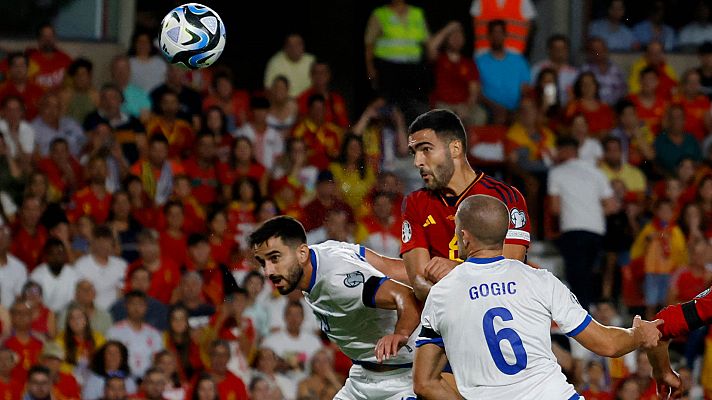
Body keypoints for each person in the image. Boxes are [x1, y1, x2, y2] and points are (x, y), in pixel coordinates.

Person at [412, 194, 664, 399]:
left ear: (464, 237)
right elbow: (607, 344)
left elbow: (424, 384)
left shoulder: (442, 294)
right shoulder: (540, 280)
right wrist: (638, 335)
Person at [249, 216, 418, 399]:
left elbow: (405, 296)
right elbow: (388, 267)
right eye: (263, 262)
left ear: (302, 254)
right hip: (362, 378)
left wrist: (401, 333)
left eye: (275, 258)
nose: (268, 271)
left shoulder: (337, 282)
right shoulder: (323, 252)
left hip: (404, 377)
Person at [402, 109, 531, 302]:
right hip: (443, 316)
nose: (417, 162)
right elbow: (419, 283)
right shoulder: (415, 203)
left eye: (426, 149)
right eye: (414, 152)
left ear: (455, 148)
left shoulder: (505, 197)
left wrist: (456, 269)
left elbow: (509, 269)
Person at [548, 137, 617, 310]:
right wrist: (592, 213)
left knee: (576, 276)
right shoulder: (597, 172)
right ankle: (591, 311)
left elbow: (555, 208)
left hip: (573, 229)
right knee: (589, 274)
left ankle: (582, 316)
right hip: (596, 230)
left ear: (564, 151)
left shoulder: (557, 172)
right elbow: (611, 205)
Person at [364, 0, 431, 117]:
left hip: (413, 69)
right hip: (388, 69)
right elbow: (369, 44)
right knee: (387, 106)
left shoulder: (417, 13)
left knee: (413, 106)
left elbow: (428, 42)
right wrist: (370, 69)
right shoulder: (380, 14)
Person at [428, 21, 486, 127]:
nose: (456, 39)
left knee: (480, 115)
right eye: (453, 36)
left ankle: (470, 144)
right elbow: (431, 47)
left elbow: (474, 91)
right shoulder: (440, 59)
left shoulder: (469, 63)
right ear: (447, 39)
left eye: (459, 36)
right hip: (443, 104)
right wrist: (448, 28)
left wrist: (467, 107)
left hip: (463, 105)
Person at [476, 20, 531, 121]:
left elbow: (526, 88)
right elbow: (477, 91)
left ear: (505, 35)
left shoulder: (519, 60)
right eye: (494, 33)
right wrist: (495, 107)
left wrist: (519, 106)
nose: (497, 36)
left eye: (500, 33)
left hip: (516, 109)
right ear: (488, 36)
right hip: (489, 109)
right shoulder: (479, 61)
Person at [106, 290, 164, 380]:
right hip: (123, 379)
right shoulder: (114, 332)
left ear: (146, 307)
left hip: (148, 381)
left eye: (141, 304)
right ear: (126, 306)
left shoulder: (155, 334)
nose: (136, 308)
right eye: (133, 304)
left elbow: (158, 361)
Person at [74, 225, 128, 310]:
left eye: (107, 241)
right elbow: (78, 295)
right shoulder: (81, 265)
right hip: (90, 312)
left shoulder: (121, 265)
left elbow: (123, 293)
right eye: (99, 241)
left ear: (112, 243)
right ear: (93, 243)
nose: (103, 245)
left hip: (116, 313)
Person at [29, 238, 79, 313]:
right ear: (46, 256)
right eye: (52, 254)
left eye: (59, 253)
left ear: (65, 255)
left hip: (68, 316)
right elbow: (33, 301)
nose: (56, 258)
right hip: (44, 316)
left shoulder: (74, 274)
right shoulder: (36, 276)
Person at [234, 96, 284, 171]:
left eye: (263, 110)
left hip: (270, 173)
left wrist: (269, 174)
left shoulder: (275, 134)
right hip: (247, 173)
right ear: (252, 111)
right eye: (256, 110)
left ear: (268, 111)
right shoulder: (242, 132)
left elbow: (279, 156)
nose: (259, 113)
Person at [470, 0, 536, 55]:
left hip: (514, 55)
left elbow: (530, 28)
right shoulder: (480, 1)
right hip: (483, 54)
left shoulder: (523, 1)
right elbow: (473, 25)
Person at [31, 92, 85, 157]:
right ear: (40, 107)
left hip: (77, 162)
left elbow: (84, 143)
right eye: (48, 106)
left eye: (56, 107)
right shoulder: (33, 129)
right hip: (50, 164)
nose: (52, 111)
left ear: (60, 109)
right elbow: (35, 158)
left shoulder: (71, 123)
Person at [296, 61, 349, 128]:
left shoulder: (337, 99)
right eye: (316, 73)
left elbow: (345, 125)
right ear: (310, 75)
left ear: (328, 75)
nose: (319, 76)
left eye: (322, 73)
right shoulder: (301, 99)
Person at [531, 34, 579, 105]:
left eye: (563, 48)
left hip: (567, 111)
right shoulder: (538, 68)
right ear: (549, 50)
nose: (559, 51)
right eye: (556, 48)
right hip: (543, 108)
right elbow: (531, 90)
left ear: (568, 50)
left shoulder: (575, 73)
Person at [581, 37, 627, 106]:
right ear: (590, 53)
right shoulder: (585, 70)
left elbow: (623, 90)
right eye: (595, 50)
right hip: (593, 107)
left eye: (602, 49)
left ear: (606, 50)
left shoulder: (616, 69)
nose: (599, 53)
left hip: (615, 108)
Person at [26, 23, 72, 91]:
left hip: (59, 98)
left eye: (50, 36)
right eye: (44, 36)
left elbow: (71, 86)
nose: (48, 39)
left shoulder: (65, 59)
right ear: (39, 39)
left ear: (55, 38)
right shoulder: (30, 58)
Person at [0, 52, 44, 120]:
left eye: (22, 65)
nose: (19, 69)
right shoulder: (2, 90)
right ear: (10, 69)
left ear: (27, 68)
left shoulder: (39, 90)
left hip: (34, 128)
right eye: (15, 66)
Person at [109, 55, 151, 122]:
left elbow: (145, 119)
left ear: (129, 71)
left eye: (124, 69)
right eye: (117, 69)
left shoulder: (141, 94)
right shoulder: (105, 93)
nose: (121, 73)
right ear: (112, 71)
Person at [60, 58, 99, 124]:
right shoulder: (65, 95)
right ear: (73, 77)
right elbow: (61, 119)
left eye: (83, 74)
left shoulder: (96, 96)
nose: (80, 78)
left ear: (90, 76)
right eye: (77, 75)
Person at [0, 223, 27, 309]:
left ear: (10, 242)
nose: (0, 241)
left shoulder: (19, 268)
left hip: (10, 316)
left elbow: (20, 298)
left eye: (3, 238)